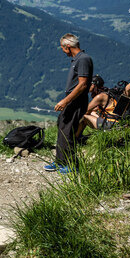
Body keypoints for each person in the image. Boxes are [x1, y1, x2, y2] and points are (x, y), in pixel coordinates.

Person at [45, 34, 92, 174]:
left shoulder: (83, 59)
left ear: (68, 47)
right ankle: (60, 161)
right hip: (72, 100)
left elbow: (83, 84)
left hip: (76, 101)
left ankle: (72, 164)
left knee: (68, 132)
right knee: (63, 127)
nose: (62, 51)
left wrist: (65, 101)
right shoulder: (77, 59)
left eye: (62, 48)